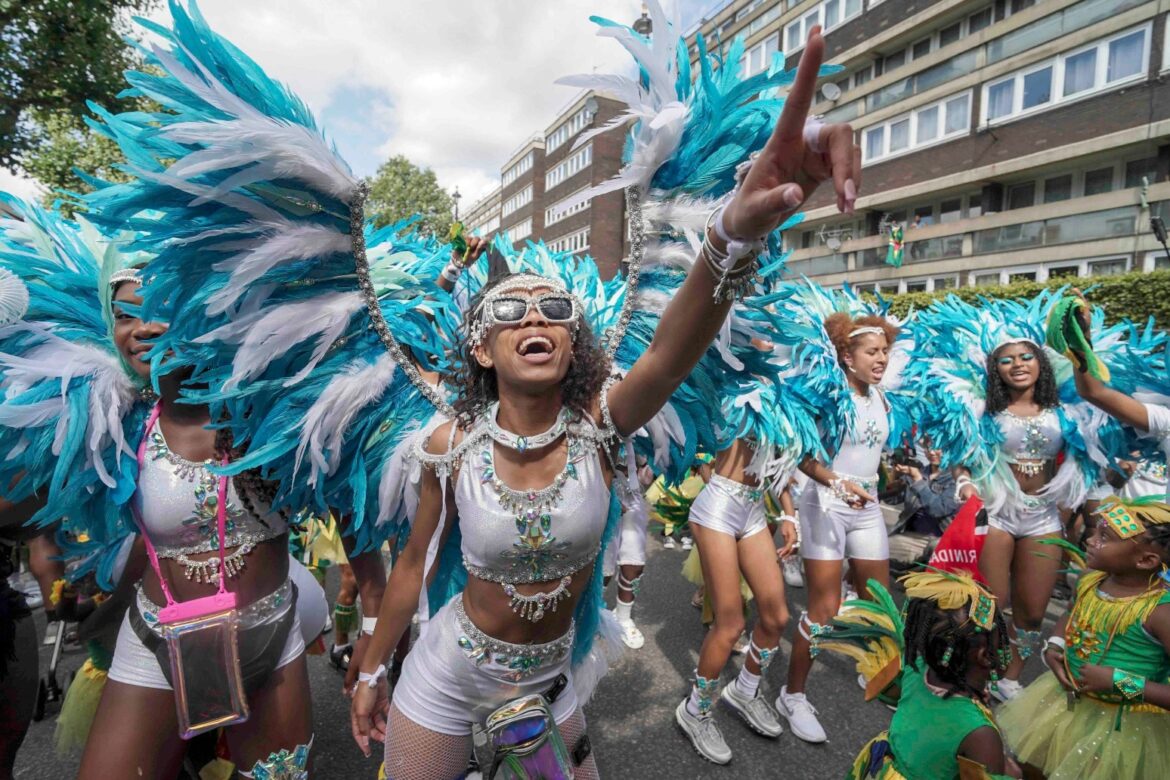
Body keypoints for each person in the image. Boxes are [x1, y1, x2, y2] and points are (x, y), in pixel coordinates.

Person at [349, 26, 860, 780]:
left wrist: (730, 236)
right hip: (445, 676)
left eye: (553, 308)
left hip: (550, 686)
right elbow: (412, 565)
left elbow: (669, 351)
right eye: (507, 312)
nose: (532, 317)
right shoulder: (447, 442)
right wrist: (368, 671)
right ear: (481, 351)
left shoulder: (604, 427)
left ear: (574, 342)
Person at [778, 306, 904, 744]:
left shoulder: (881, 397)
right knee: (824, 610)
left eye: (885, 351)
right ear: (848, 357)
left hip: (867, 506)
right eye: (872, 351)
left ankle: (875, 670)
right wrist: (835, 481)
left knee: (879, 600)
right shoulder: (830, 398)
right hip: (825, 504)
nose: (882, 359)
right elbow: (800, 454)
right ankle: (792, 694)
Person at [998, 496, 1170, 778]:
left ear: (1146, 560)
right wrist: (1055, 645)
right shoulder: (1091, 579)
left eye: (1105, 537)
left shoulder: (1161, 612)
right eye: (1095, 531)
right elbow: (1070, 613)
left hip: (1123, 728)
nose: (1090, 540)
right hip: (1064, 707)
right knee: (1036, 766)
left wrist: (1119, 683)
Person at [823, 571, 1019, 779]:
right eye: (1002, 640)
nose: (1006, 647)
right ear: (985, 656)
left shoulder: (915, 668)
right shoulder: (980, 734)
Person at [676, 437, 798, 763]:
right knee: (730, 625)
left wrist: (790, 515)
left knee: (777, 618)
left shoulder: (785, 396)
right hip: (719, 506)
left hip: (755, 509)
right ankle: (694, 711)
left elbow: (780, 464)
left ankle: (745, 690)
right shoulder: (733, 385)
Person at [888, 445, 959, 568]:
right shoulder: (919, 471)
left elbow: (938, 509)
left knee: (935, 550)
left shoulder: (956, 479)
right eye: (928, 447)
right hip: (912, 538)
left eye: (938, 448)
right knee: (876, 551)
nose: (931, 452)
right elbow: (892, 500)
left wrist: (917, 480)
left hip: (942, 540)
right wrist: (895, 475)